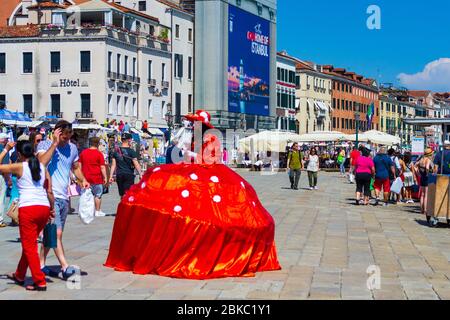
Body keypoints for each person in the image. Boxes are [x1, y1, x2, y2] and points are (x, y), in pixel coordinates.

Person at [105, 110, 281, 279]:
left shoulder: (210, 137)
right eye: (193, 122)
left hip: (208, 171)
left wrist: (191, 155)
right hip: (195, 169)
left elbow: (210, 158)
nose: (193, 125)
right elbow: (194, 157)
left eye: (196, 122)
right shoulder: (196, 137)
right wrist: (189, 155)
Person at [36, 120, 90, 279]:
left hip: (64, 197)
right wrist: (54, 144)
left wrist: (83, 180)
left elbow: (75, 168)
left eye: (68, 137)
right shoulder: (44, 145)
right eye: (64, 137)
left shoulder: (72, 148)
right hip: (48, 196)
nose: (66, 141)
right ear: (57, 132)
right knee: (57, 232)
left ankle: (41, 264)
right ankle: (65, 267)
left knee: (52, 233)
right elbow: (41, 163)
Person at [2, 140, 55, 291]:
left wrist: (6, 149)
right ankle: (19, 274)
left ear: (19, 154)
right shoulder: (41, 166)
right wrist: (51, 208)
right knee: (30, 243)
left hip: (28, 209)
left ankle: (40, 281)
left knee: (29, 246)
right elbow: (49, 189)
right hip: (43, 207)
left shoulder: (19, 166)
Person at [79, 137, 108, 217]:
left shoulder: (83, 152)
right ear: (98, 144)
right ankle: (97, 211)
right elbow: (102, 167)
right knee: (98, 195)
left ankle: (86, 211)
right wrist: (105, 177)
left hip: (85, 177)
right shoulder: (99, 154)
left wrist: (80, 177)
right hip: (97, 177)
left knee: (86, 195)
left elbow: (79, 165)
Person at [110, 132, 143, 198]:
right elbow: (136, 164)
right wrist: (140, 174)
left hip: (119, 175)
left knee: (122, 194)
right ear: (129, 140)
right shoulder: (131, 151)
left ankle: (122, 206)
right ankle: (125, 207)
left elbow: (113, 165)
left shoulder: (116, 151)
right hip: (129, 174)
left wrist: (111, 176)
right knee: (128, 194)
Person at [416, 148, 436, 225]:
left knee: (422, 194)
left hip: (422, 177)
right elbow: (427, 167)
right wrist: (428, 174)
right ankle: (425, 210)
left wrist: (419, 174)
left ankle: (421, 209)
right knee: (426, 195)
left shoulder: (421, 160)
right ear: (430, 154)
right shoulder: (428, 160)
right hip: (427, 178)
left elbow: (415, 165)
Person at [0, 133, 11, 228]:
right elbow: (5, 166)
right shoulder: (3, 150)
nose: (7, 141)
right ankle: (0, 219)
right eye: (6, 139)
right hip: (1, 176)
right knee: (1, 198)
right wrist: (8, 178)